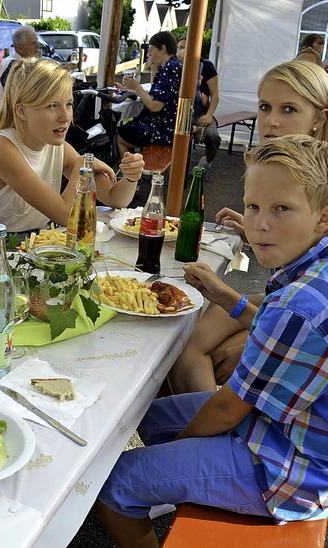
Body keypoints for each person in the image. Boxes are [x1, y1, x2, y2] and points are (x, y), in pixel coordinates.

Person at [97, 134, 328, 548]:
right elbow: (278, 339)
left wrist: (181, 448)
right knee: (145, 419)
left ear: (323, 218)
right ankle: (170, 482)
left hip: (290, 469)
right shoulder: (313, 270)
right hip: (284, 429)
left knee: (114, 483)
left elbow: (227, 408)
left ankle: (148, 494)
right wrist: (227, 297)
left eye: (282, 210)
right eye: (254, 206)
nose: (259, 223)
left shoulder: (299, 305)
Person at [168, 60, 328, 395]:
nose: (271, 121)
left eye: (288, 109)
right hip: (285, 302)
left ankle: (204, 436)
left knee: (196, 348)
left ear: (319, 119)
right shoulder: (275, 167)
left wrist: (252, 339)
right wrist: (255, 230)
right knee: (188, 330)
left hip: (307, 325)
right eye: (265, 107)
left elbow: (308, 310)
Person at [0, 58, 145, 233]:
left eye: (69, 104)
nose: (65, 117)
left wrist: (131, 176)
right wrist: (82, 165)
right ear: (22, 111)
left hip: (32, 245)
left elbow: (115, 198)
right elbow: (66, 215)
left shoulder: (53, 145)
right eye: (52, 105)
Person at [117, 31, 182, 156]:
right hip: (169, 125)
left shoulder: (170, 68)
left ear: (162, 48)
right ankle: (134, 169)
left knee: (120, 136)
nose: (149, 53)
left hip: (163, 129)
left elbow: (155, 105)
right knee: (126, 129)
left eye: (151, 49)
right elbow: (158, 94)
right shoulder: (173, 65)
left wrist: (137, 87)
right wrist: (153, 71)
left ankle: (129, 174)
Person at [176, 36, 221, 170]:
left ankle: (205, 163)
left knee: (213, 137)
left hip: (199, 111)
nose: (179, 51)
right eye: (178, 48)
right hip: (177, 111)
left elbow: (215, 95)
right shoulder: (173, 66)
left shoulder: (206, 66)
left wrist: (208, 115)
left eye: (183, 47)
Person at [0, 25, 40, 99]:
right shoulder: (12, 64)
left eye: (37, 41)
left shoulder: (30, 61)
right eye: (33, 43)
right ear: (19, 47)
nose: (38, 46)